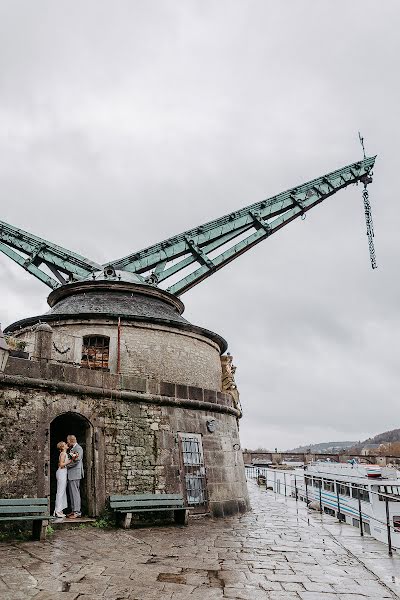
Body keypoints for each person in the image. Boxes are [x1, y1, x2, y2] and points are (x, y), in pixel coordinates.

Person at [66, 434, 84, 518]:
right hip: (71, 474)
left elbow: (77, 460)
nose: (67, 442)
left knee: (75, 493)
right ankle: (73, 511)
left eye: (68, 441)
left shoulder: (78, 448)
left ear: (71, 441)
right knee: (72, 493)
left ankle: (77, 512)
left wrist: (66, 466)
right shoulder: (72, 449)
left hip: (75, 474)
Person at [54, 441, 70, 518]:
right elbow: (61, 464)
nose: (67, 445)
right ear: (62, 447)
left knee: (62, 491)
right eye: (65, 444)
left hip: (63, 472)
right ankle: (57, 511)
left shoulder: (63, 454)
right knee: (60, 491)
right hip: (61, 472)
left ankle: (60, 510)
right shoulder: (63, 454)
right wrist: (70, 461)